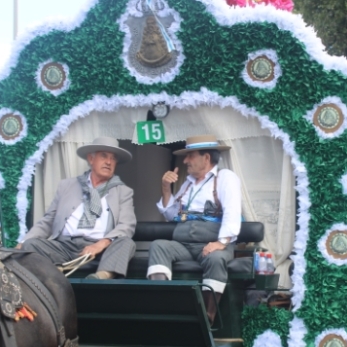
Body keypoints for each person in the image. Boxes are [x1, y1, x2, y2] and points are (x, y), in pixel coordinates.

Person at [147, 135, 242, 324]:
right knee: (159, 245)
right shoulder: (188, 182)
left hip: (211, 244)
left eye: (190, 155)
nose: (185, 161)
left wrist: (220, 242)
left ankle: (207, 318)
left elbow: (233, 211)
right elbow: (171, 215)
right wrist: (166, 189)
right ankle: (163, 309)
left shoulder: (225, 178)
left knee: (216, 258)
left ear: (206, 158)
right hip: (183, 243)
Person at [20, 137, 137, 279]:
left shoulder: (123, 191)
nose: (108, 162)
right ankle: (52, 272)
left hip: (100, 251)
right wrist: (23, 243)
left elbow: (127, 225)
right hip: (64, 247)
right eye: (104, 156)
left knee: (126, 242)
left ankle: (102, 276)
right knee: (31, 245)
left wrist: (100, 244)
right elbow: (48, 221)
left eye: (113, 159)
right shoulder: (66, 186)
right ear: (91, 159)